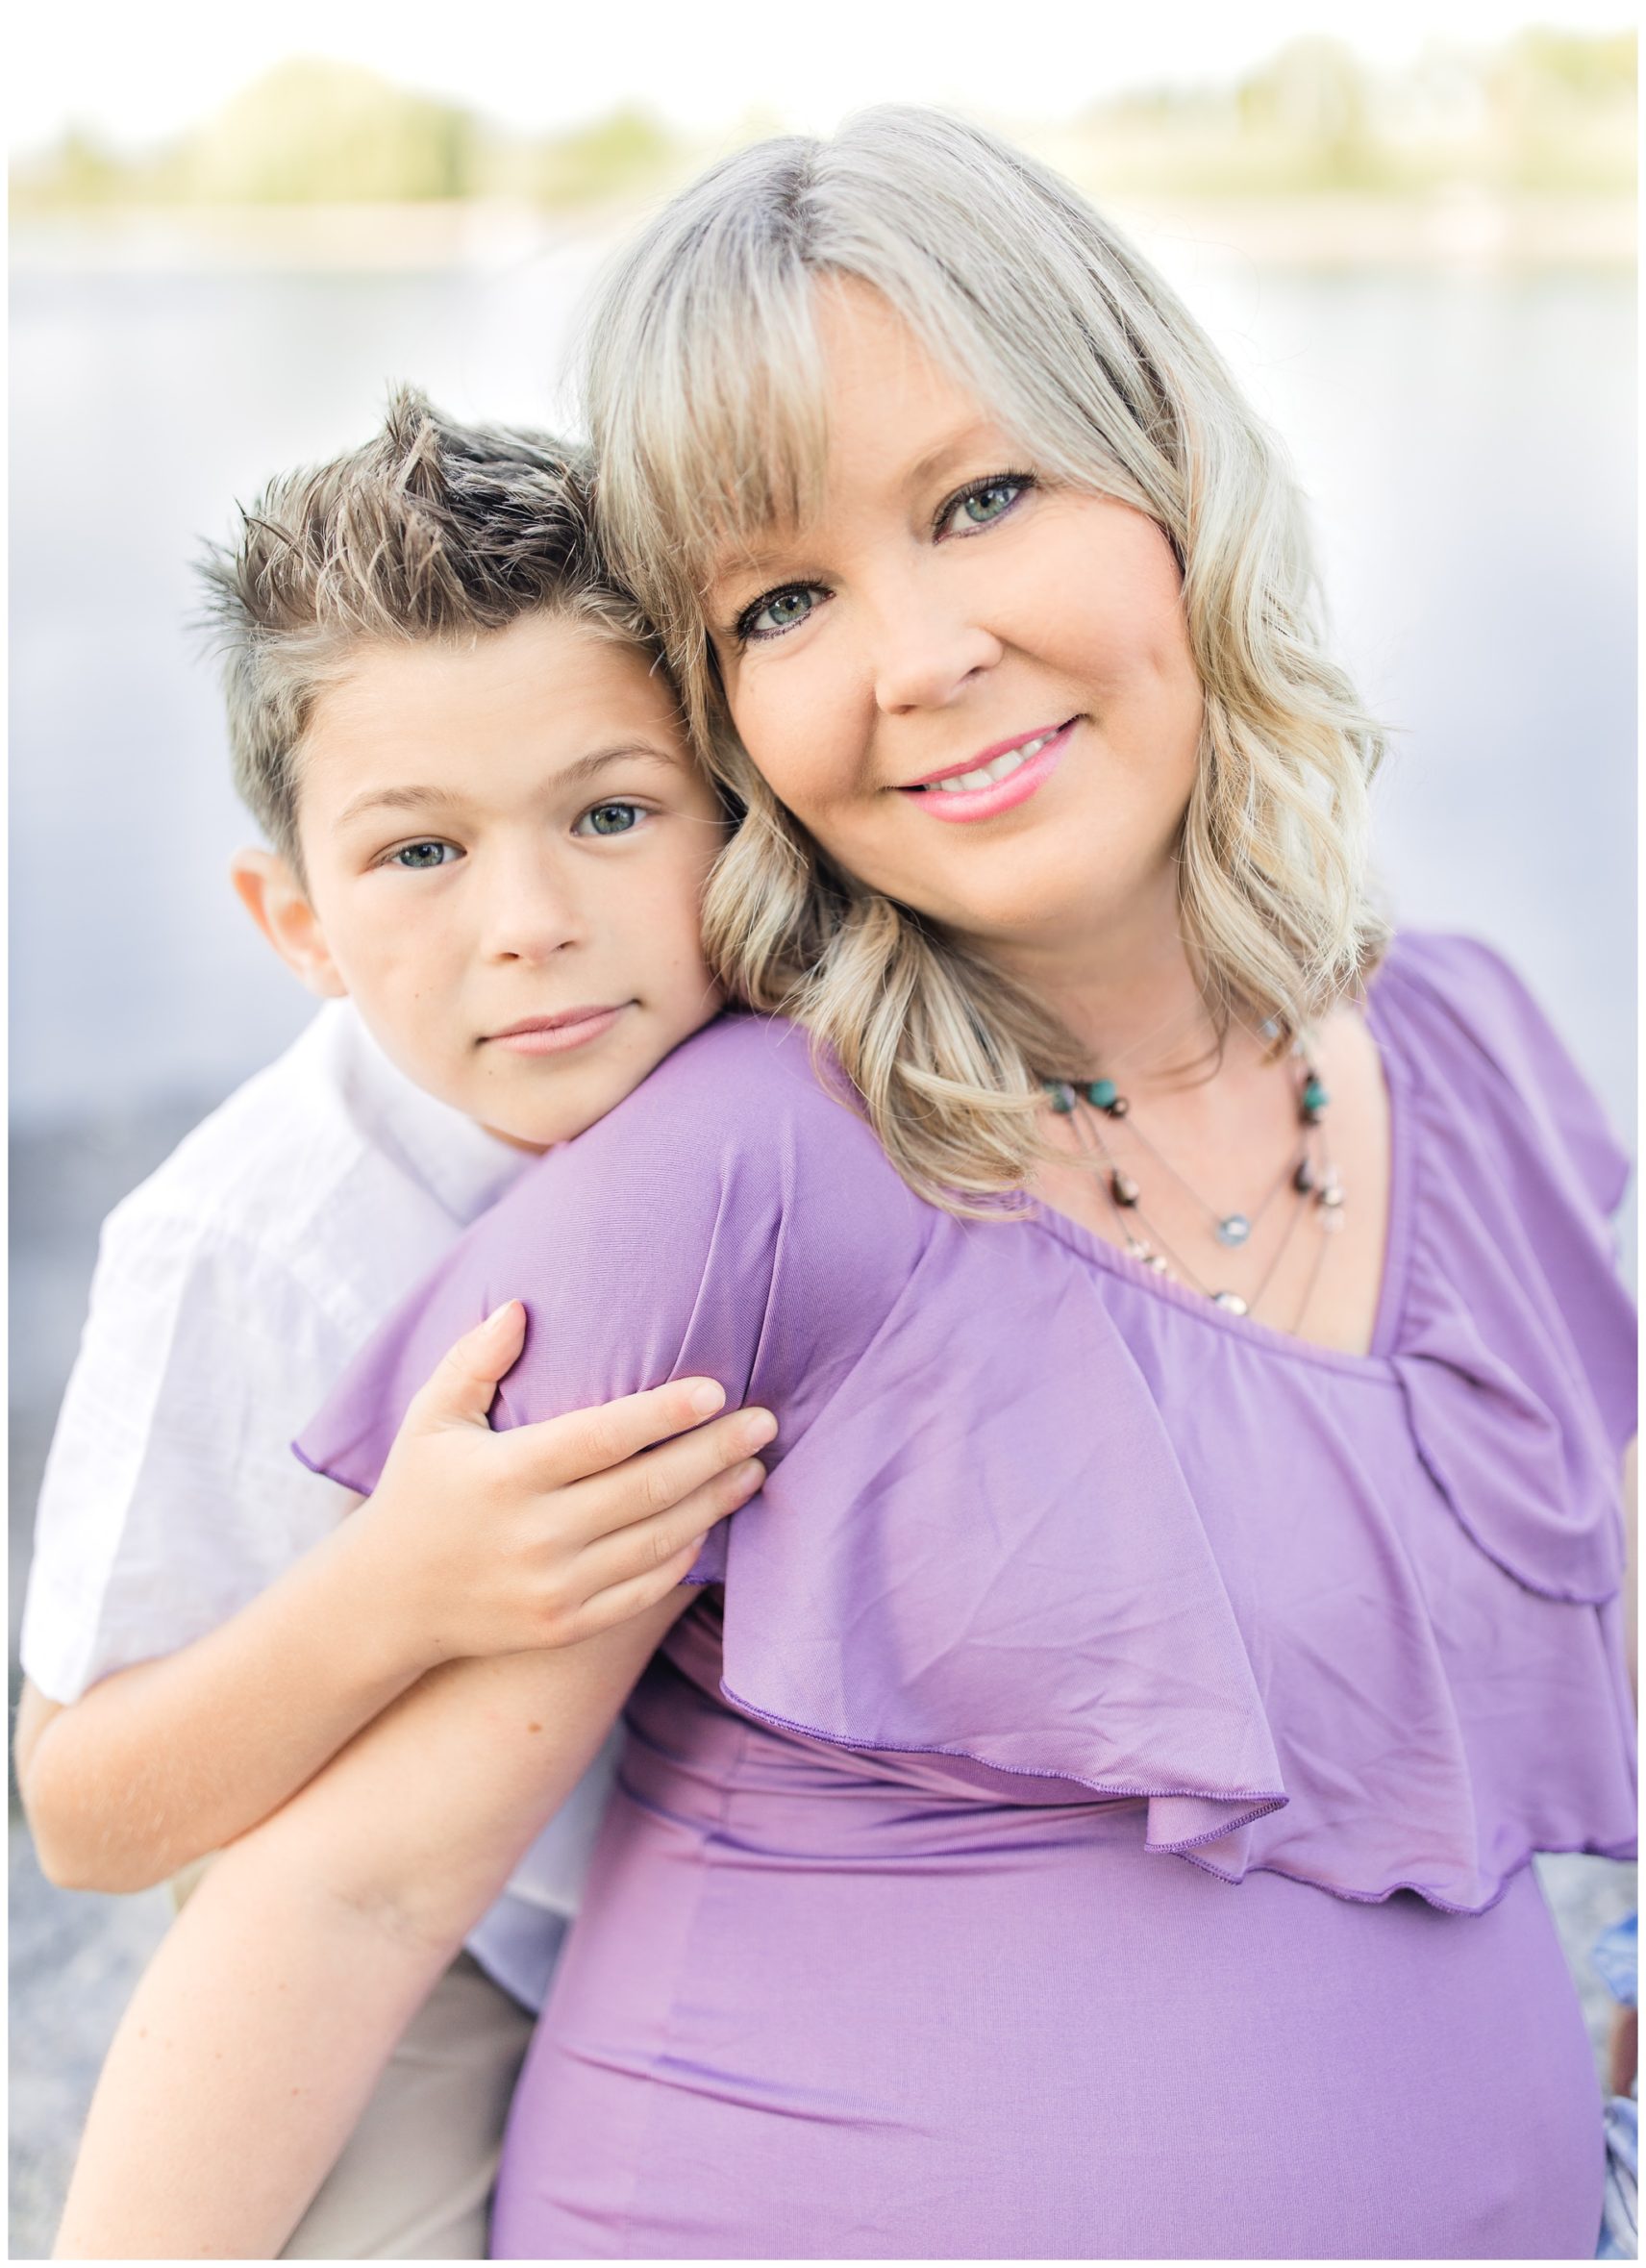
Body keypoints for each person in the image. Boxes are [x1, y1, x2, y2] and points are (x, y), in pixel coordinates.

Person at [56, 112, 1635, 2261]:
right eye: (787, 598)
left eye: (981, 498)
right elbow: (338, 1896)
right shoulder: (740, 1174)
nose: (915, 657)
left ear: (1171, 467)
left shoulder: (1471, 1055)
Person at [17, 389, 773, 2259]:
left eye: (610, 811)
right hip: (451, 1935)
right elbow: (89, 1808)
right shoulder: (246, 1244)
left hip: (756, 1891)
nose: (529, 919)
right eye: (417, 852)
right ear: (295, 918)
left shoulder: (790, 1061)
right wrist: (404, 1584)